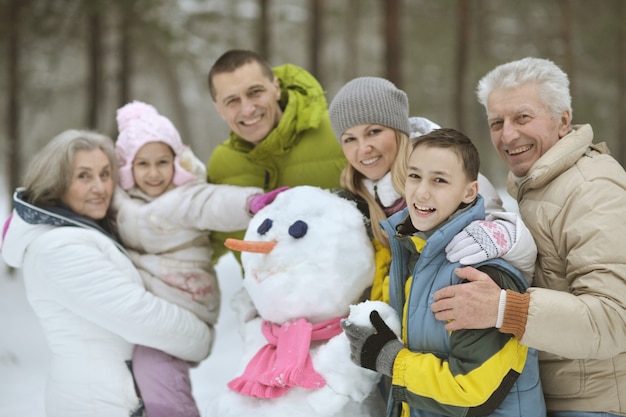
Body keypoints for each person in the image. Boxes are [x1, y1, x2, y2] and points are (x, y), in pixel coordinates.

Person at [430, 57, 626, 416]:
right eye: (496, 122)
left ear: (562, 120)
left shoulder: (591, 189)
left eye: (523, 117)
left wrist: (504, 308)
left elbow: (614, 319)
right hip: (545, 396)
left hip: (593, 405)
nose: (508, 136)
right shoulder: (537, 185)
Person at [0, 129, 212, 417]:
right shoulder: (59, 248)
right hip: (97, 404)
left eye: (105, 174)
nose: (100, 187)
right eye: (84, 176)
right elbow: (140, 317)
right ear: (57, 183)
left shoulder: (84, 231)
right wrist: (201, 336)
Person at [341, 128, 545, 417]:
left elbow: (470, 392)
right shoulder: (411, 255)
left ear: (469, 192)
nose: (422, 191)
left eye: (439, 180)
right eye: (414, 176)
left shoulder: (481, 274)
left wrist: (391, 359)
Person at [112, 100, 278, 417]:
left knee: (155, 365)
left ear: (176, 163)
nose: (154, 172)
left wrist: (251, 202)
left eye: (163, 162)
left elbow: (214, 202)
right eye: (142, 163)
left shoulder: (184, 195)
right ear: (127, 168)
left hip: (184, 298)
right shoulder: (120, 202)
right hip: (150, 298)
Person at [327, 76, 537, 302]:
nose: (363, 148)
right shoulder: (356, 197)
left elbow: (507, 237)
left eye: (373, 132)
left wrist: (504, 236)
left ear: (399, 129)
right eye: (350, 139)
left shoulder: (446, 167)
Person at [206, 49, 346, 264]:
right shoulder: (221, 164)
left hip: (353, 292)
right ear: (219, 109)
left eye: (255, 92)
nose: (248, 109)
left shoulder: (338, 134)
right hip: (266, 294)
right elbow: (203, 245)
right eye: (232, 100)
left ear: (276, 88)